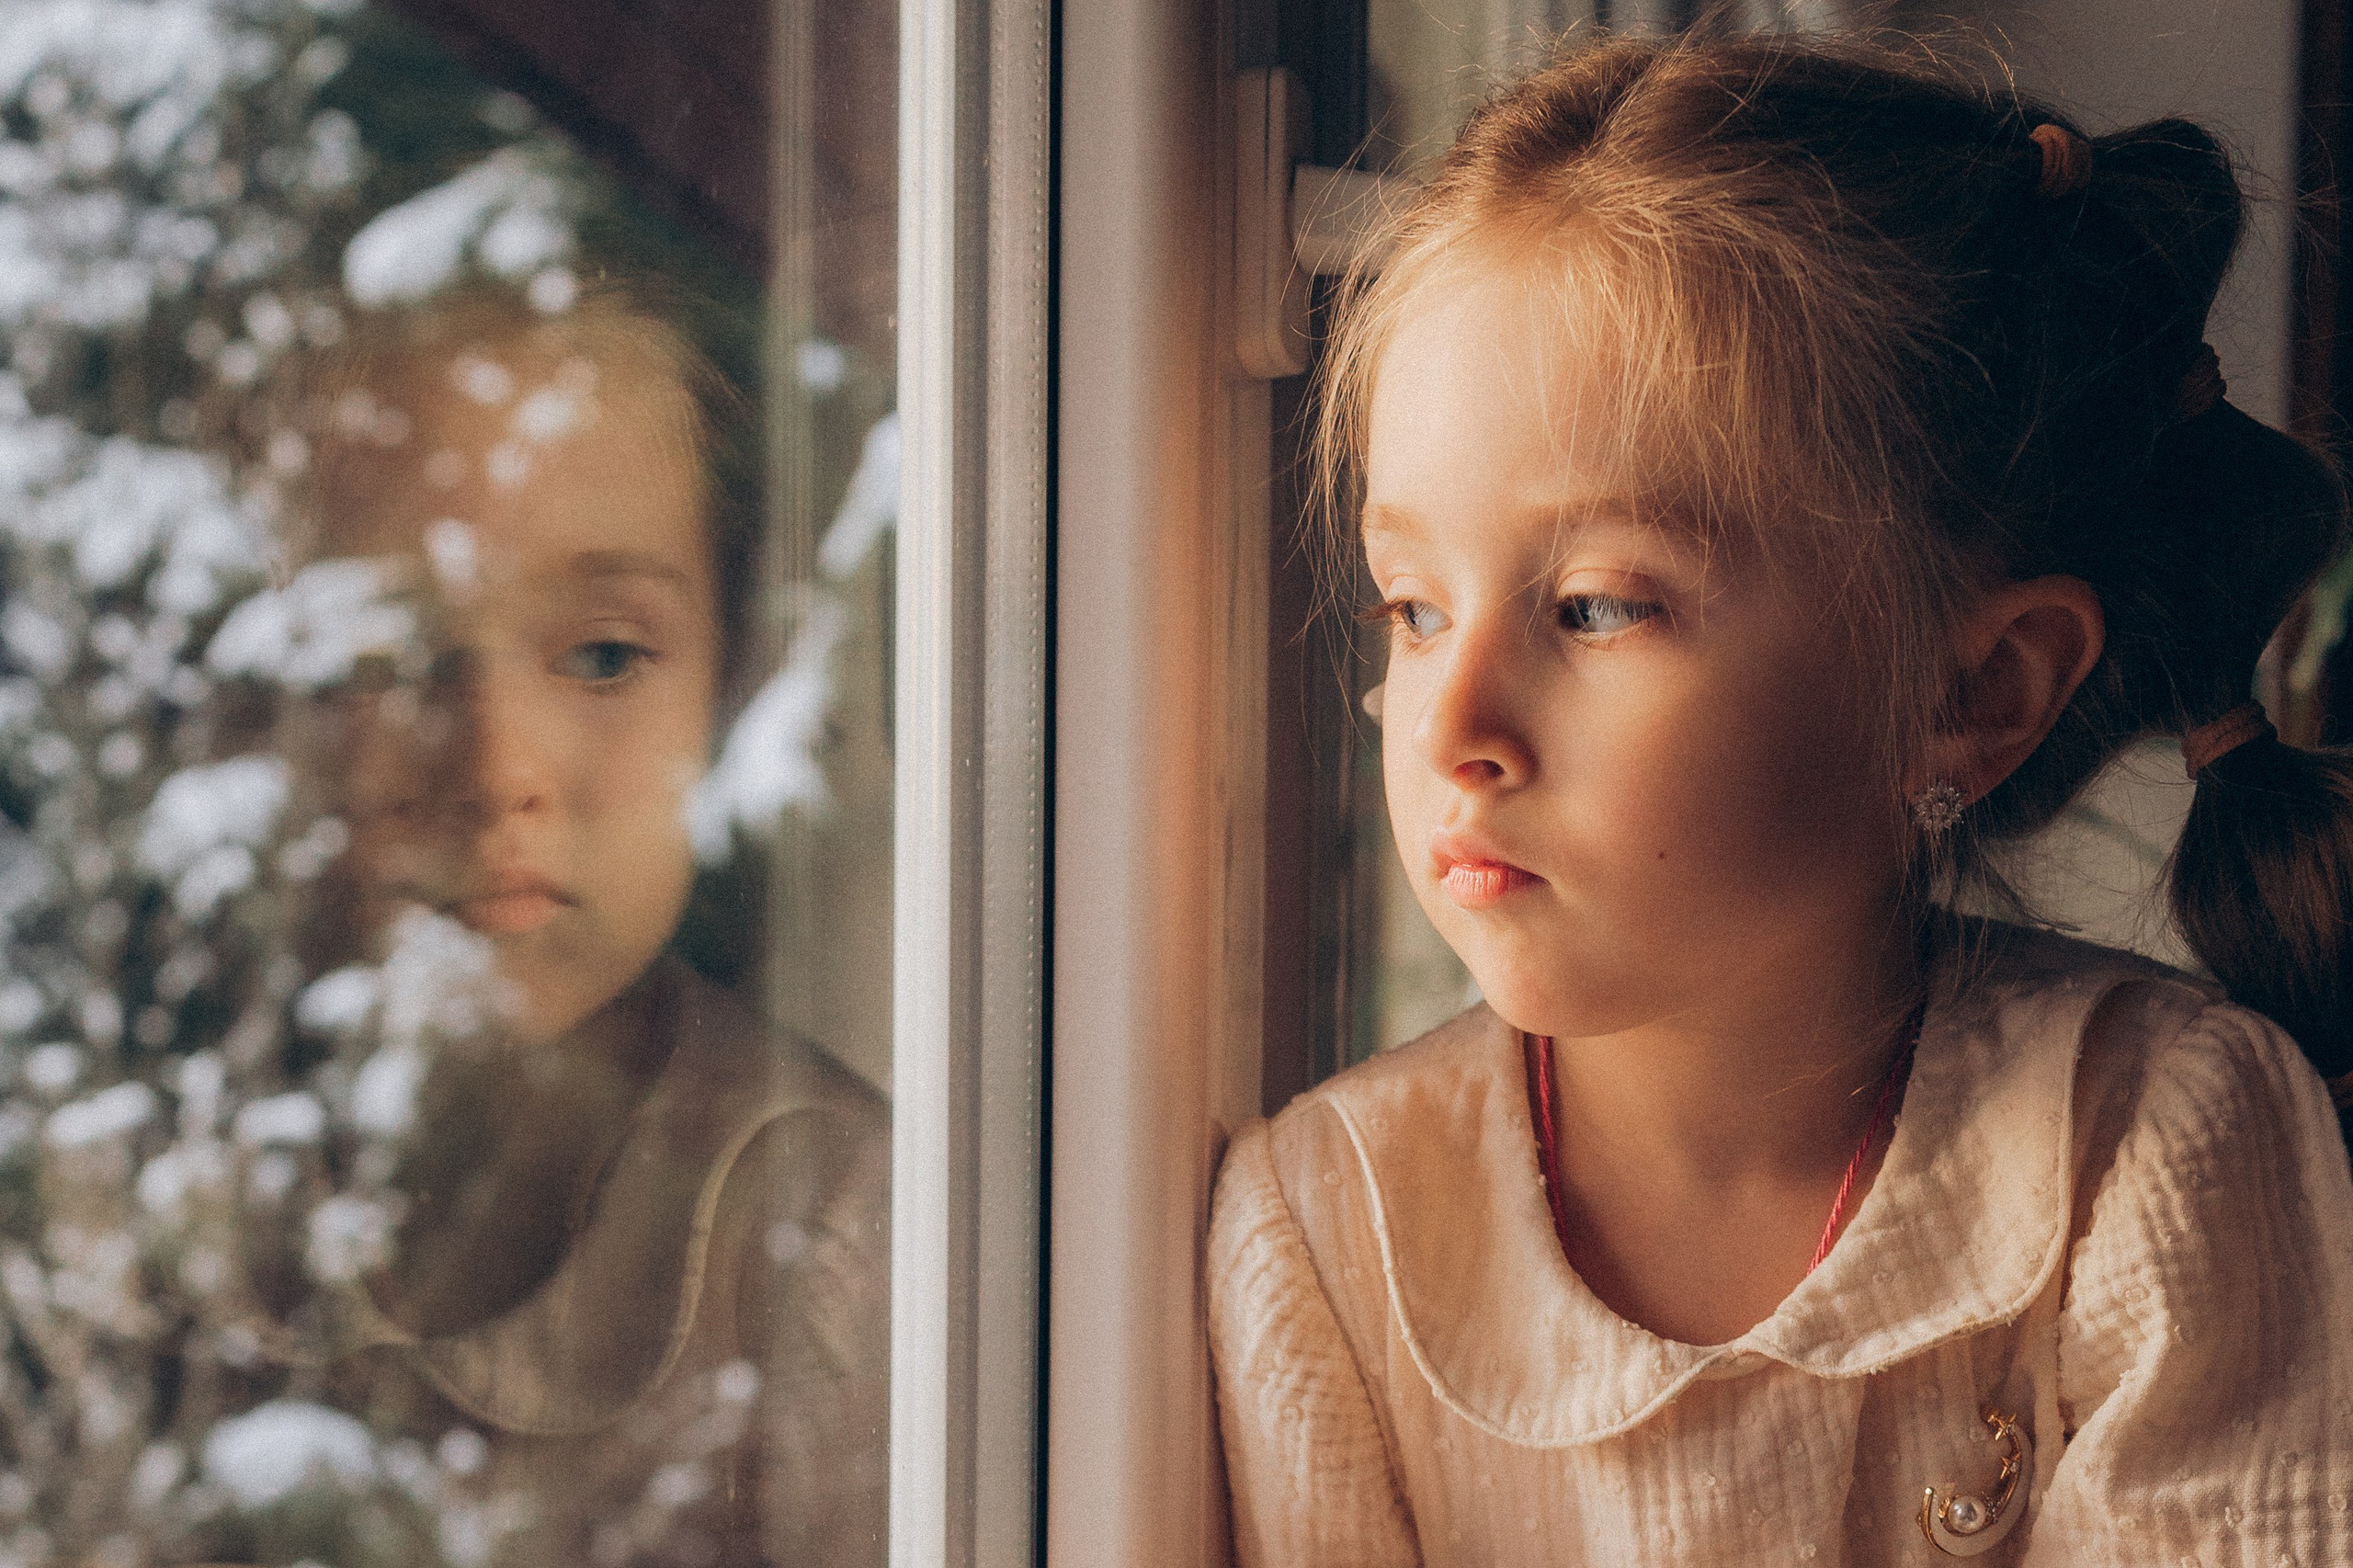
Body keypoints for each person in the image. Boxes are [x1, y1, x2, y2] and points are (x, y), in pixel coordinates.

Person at [1209, 33, 2353, 1567]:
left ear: (1977, 692)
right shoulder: (1329, 1230)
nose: (1451, 727)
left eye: (1599, 607)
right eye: (1412, 608)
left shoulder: (2153, 1147)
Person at [288, 285, 886, 1567]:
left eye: (605, 656)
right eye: (390, 659)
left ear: (733, 686)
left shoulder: (832, 1229)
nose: (501, 768)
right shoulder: (168, 1179)